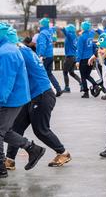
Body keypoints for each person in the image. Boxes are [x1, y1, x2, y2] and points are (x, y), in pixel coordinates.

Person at [4, 28, 71, 169]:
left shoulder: (16, 52)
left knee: (41, 129)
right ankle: (9, 160)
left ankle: (63, 153)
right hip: (31, 96)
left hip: (42, 94)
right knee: (16, 127)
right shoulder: (22, 48)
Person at [0, 23, 46, 178]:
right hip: (16, 97)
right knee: (5, 131)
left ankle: (1, 168)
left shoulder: (6, 53)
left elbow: (5, 81)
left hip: (10, 99)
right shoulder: (8, 48)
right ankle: (32, 149)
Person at [36, 18, 63, 97]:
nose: (39, 25)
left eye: (40, 24)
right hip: (50, 55)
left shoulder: (42, 33)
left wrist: (40, 55)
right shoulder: (49, 32)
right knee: (49, 74)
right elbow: (53, 33)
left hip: (44, 57)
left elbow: (42, 44)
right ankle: (58, 89)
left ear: (42, 25)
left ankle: (43, 92)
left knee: (41, 74)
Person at [76, 21, 99, 98]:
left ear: (82, 27)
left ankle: (86, 92)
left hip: (83, 59)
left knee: (83, 76)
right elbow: (93, 44)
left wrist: (78, 60)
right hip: (91, 58)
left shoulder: (81, 37)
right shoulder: (91, 35)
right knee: (87, 75)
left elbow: (79, 50)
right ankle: (95, 85)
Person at [59, 24, 82, 93]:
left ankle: (67, 87)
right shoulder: (75, 37)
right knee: (71, 72)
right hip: (75, 56)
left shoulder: (69, 36)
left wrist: (62, 28)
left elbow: (65, 32)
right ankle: (81, 83)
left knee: (65, 72)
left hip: (69, 56)